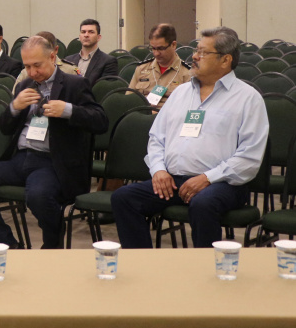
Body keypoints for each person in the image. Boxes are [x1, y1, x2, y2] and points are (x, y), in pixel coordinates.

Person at [111, 27, 268, 248]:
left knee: (203, 203)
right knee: (124, 198)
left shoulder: (248, 99)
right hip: (174, 179)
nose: (194, 56)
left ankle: (206, 272)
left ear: (225, 60)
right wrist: (158, 170)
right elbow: (157, 137)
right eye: (196, 50)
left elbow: (249, 158)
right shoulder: (182, 93)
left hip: (223, 183)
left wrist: (207, 178)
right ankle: (143, 264)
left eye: (203, 52)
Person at [0, 35, 107, 249]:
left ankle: (51, 246)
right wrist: (14, 107)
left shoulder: (74, 84)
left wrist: (68, 110)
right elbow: (5, 128)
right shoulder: (24, 85)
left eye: (37, 65)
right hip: (21, 159)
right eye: (27, 67)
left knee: (38, 195)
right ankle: (8, 245)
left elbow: (101, 121)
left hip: (53, 162)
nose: (32, 72)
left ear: (53, 55)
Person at [128, 23, 191, 107]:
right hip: (142, 116)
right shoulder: (141, 69)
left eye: (161, 48)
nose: (156, 53)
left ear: (173, 45)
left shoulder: (187, 73)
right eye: (153, 48)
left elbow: (188, 106)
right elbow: (128, 100)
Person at [13, 31, 80, 88]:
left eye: (37, 65)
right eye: (28, 66)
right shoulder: (25, 74)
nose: (33, 73)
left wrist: (65, 104)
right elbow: (14, 97)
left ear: (55, 50)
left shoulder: (70, 71)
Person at [64, 19, 118, 84]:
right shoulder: (68, 60)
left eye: (91, 32)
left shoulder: (108, 61)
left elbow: (104, 89)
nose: (86, 35)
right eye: (83, 32)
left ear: (99, 37)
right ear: (80, 37)